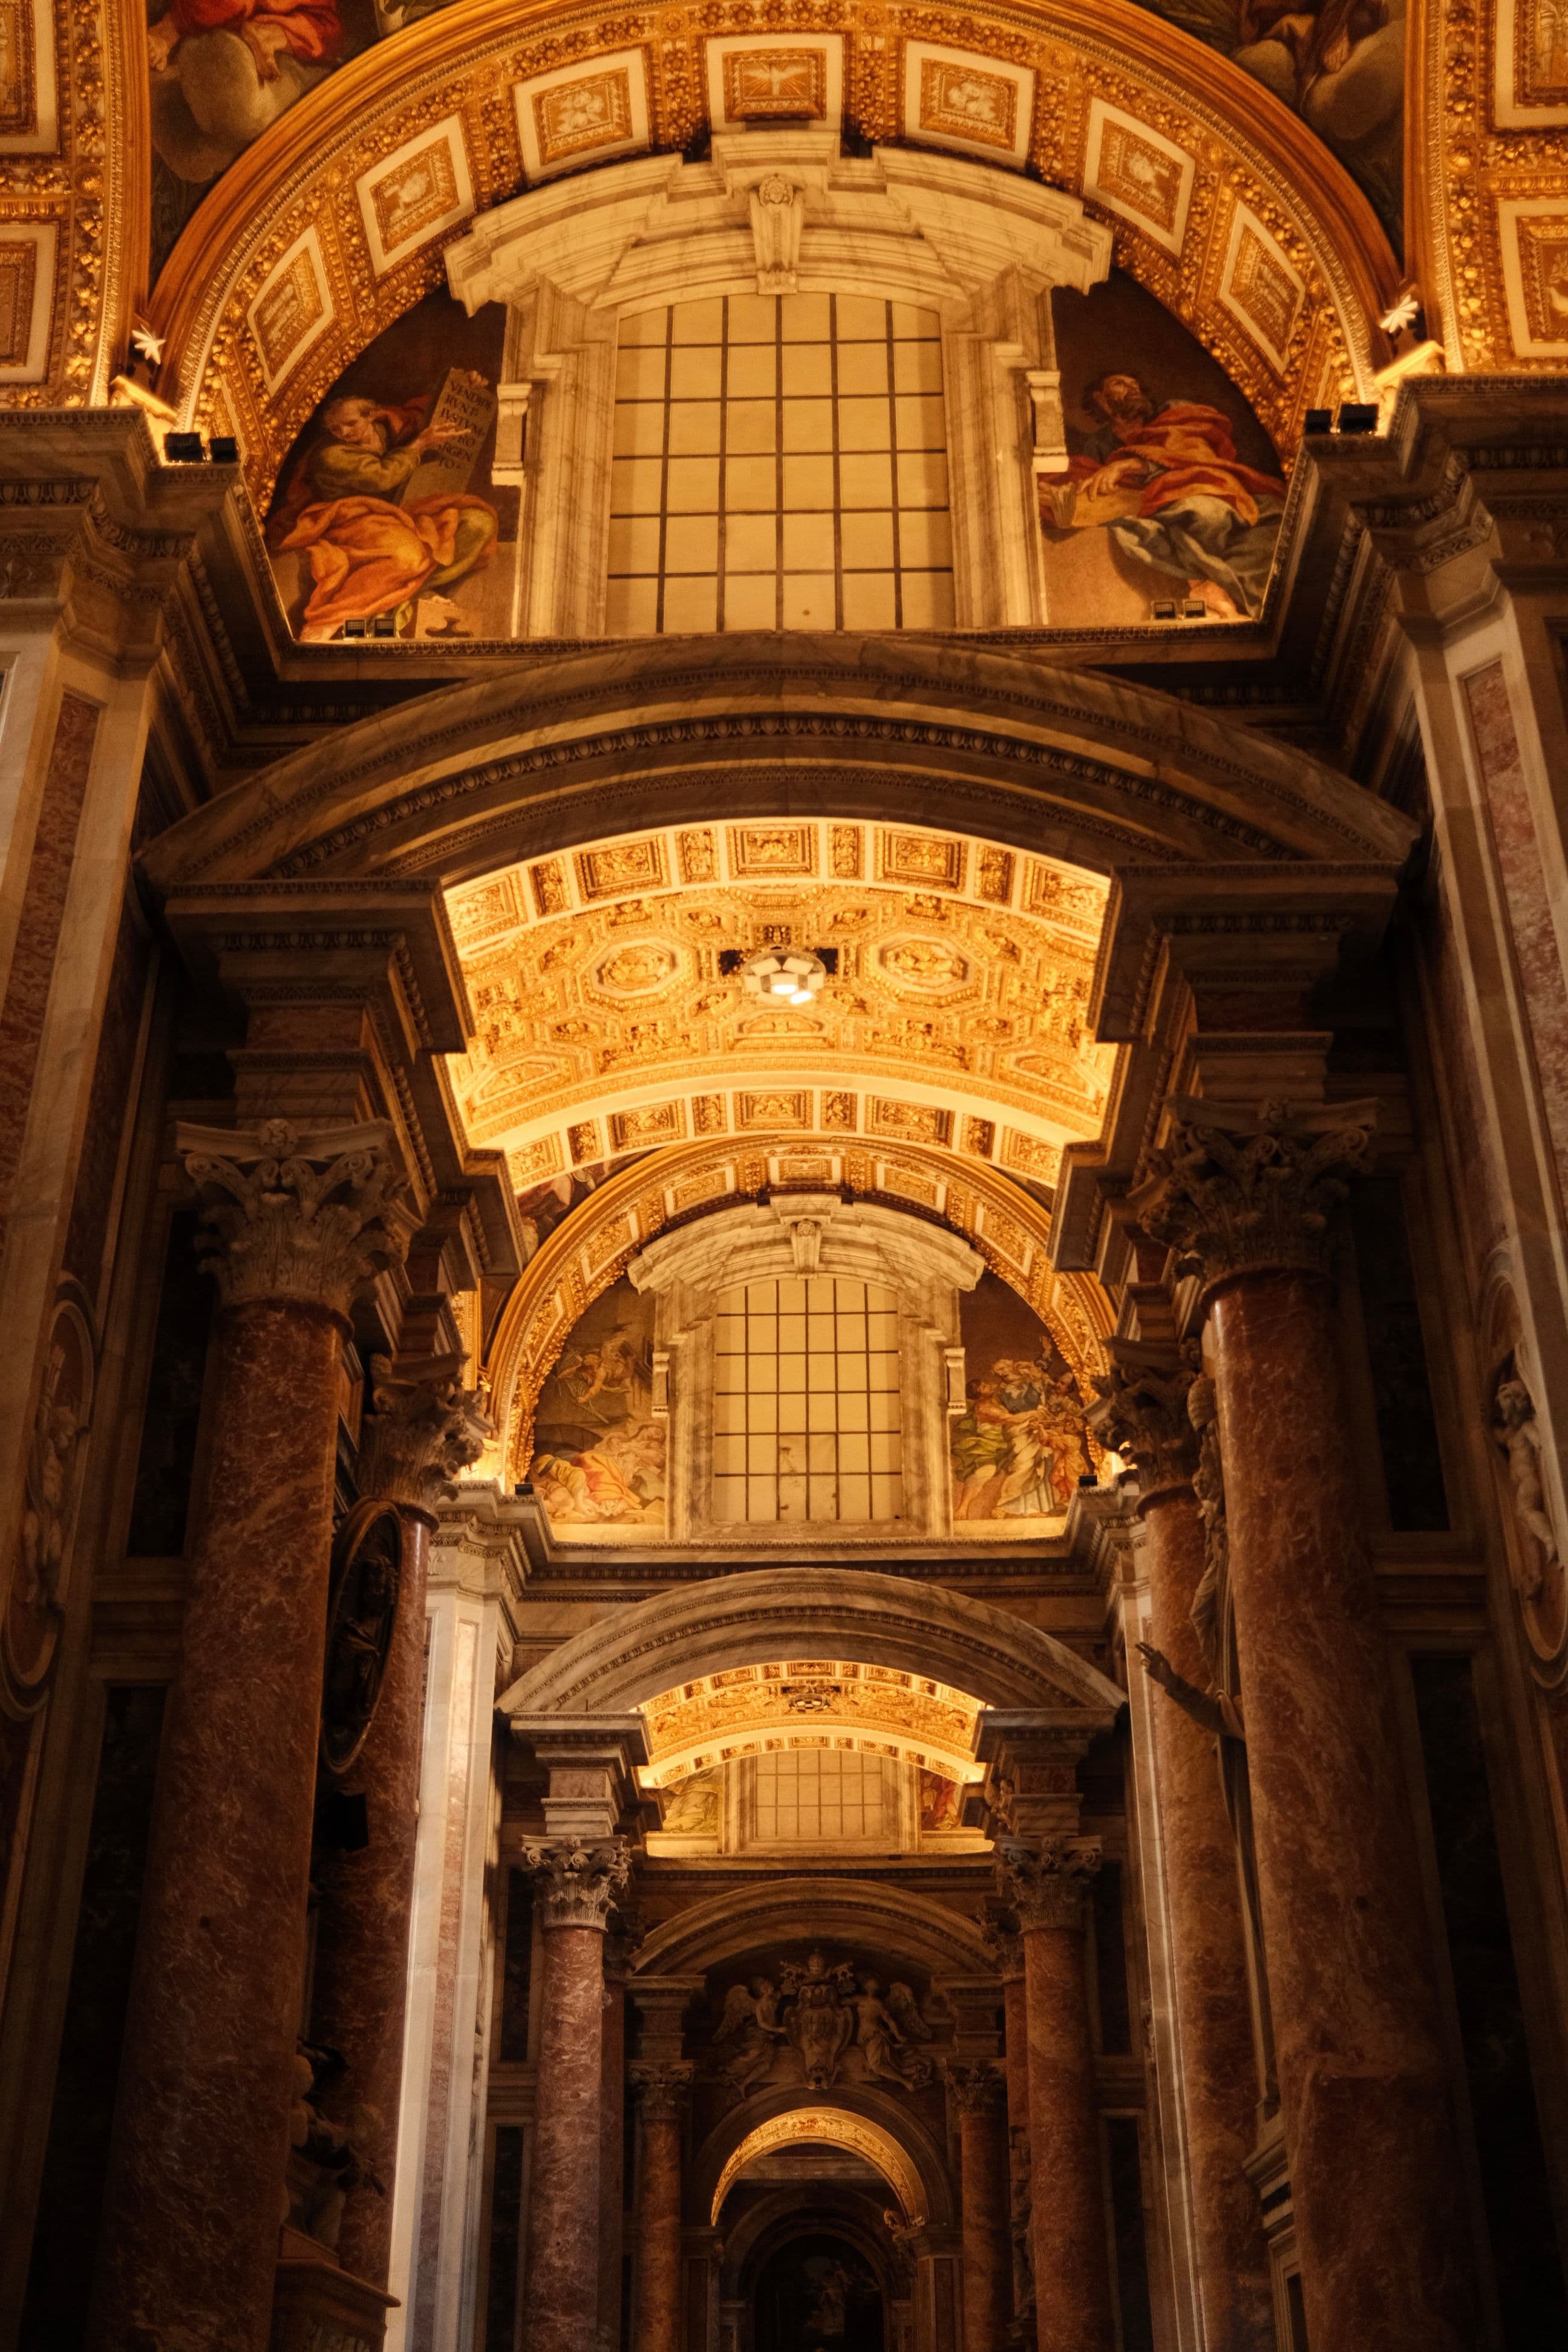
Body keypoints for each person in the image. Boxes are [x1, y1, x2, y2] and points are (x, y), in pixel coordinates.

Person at [267, 377, 498, 641]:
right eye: (336, 429)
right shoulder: (330, 455)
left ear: (371, 417)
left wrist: (466, 385)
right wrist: (420, 445)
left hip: (403, 515)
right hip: (352, 518)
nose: (344, 432)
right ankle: (357, 610)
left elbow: (432, 407)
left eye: (351, 424)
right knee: (408, 556)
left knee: (478, 524)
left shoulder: (389, 426)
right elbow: (382, 476)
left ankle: (406, 592)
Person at [1042, 370, 1286, 618]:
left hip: (1203, 485)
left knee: (1237, 516)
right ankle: (1208, 587)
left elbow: (1197, 453)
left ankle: (1219, 589)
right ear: (1101, 399)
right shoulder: (1099, 445)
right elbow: (1093, 484)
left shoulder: (1175, 412)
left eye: (1135, 383)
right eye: (1120, 383)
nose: (1132, 387)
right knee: (1190, 516)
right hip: (1155, 505)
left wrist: (1128, 465)